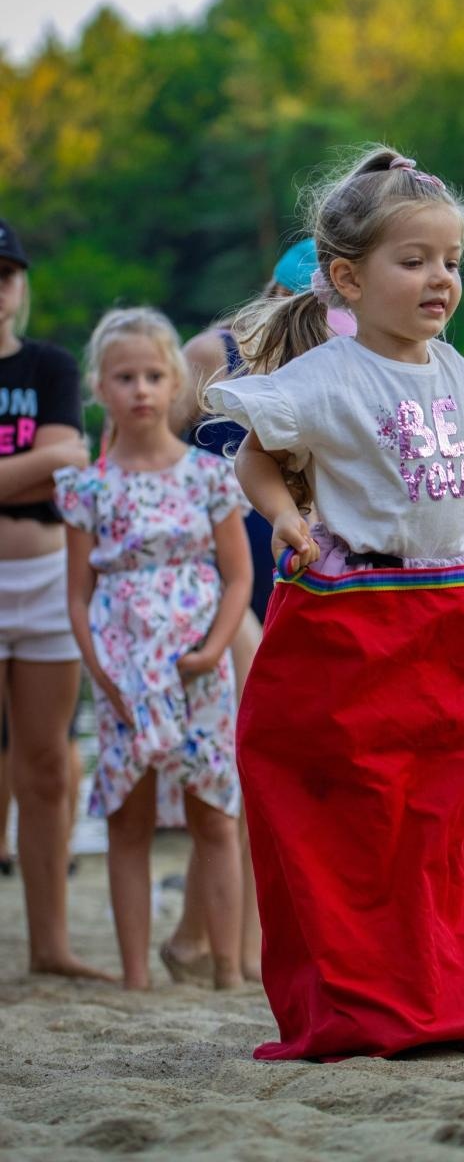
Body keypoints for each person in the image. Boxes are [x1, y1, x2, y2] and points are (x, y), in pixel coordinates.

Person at [205, 145, 464, 1062]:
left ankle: (454, 996)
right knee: (358, 816)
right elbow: (253, 456)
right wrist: (285, 519)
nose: (440, 280)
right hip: (358, 619)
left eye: (451, 262)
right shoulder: (327, 377)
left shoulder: (455, 372)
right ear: (347, 278)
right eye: (414, 260)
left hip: (444, 619)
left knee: (439, 819)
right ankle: (362, 1006)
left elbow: (448, 475)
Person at [162, 239, 356, 985]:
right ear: (275, 288)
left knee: (291, 763)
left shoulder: (344, 354)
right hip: (222, 578)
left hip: (307, 569)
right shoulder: (214, 351)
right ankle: (217, 945)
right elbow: (154, 447)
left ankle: (206, 940)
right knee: (250, 755)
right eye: (294, 297)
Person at [54, 307, 252, 989]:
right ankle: (136, 975)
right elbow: (78, 592)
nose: (140, 389)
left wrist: (215, 649)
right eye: (124, 377)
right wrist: (98, 669)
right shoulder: (88, 486)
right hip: (122, 671)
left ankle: (227, 968)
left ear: (175, 386)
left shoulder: (207, 475)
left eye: (153, 376)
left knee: (215, 814)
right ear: (99, 388)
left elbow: (238, 576)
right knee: (129, 821)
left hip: (199, 669)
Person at [0, 218, 108, 978]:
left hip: (44, 579)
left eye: (6, 273)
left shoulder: (50, 364)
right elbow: (54, 456)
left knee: (46, 766)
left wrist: (53, 459)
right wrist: (37, 463)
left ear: (20, 284)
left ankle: (52, 948)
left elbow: (73, 455)